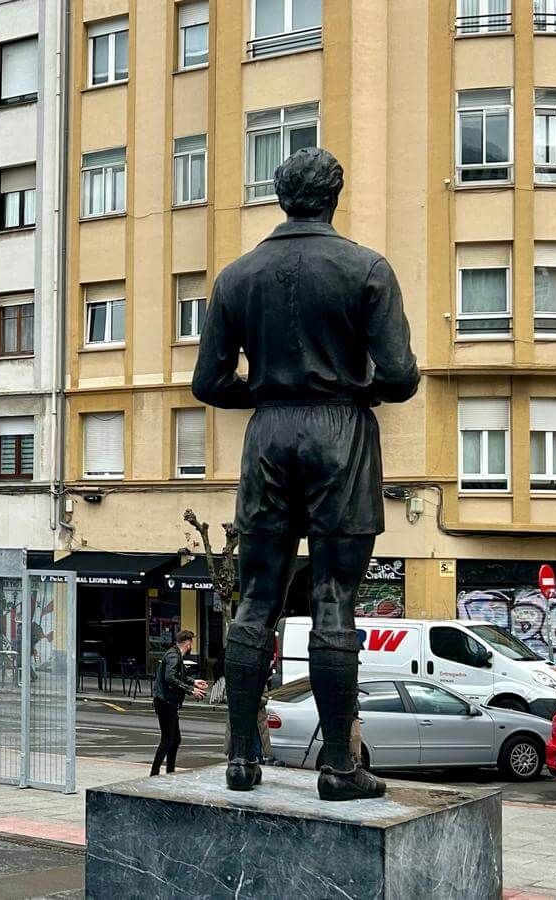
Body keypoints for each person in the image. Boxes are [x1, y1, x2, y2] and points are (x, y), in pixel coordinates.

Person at [192, 147, 420, 801]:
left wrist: (268, 391)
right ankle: (340, 768)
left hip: (268, 435)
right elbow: (400, 375)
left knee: (257, 599)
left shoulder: (237, 277)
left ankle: (242, 759)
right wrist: (355, 388)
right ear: (333, 197)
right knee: (333, 598)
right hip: (340, 435)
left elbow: (208, 382)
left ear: (281, 197)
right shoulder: (366, 269)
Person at [150, 629, 207, 776]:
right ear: (188, 644)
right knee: (168, 739)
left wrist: (194, 682)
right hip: (165, 702)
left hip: (168, 702)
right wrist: (191, 690)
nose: (191, 646)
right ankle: (155, 772)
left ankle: (170, 770)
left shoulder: (175, 654)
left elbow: (179, 676)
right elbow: (170, 678)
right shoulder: (173, 656)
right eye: (191, 643)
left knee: (174, 739)